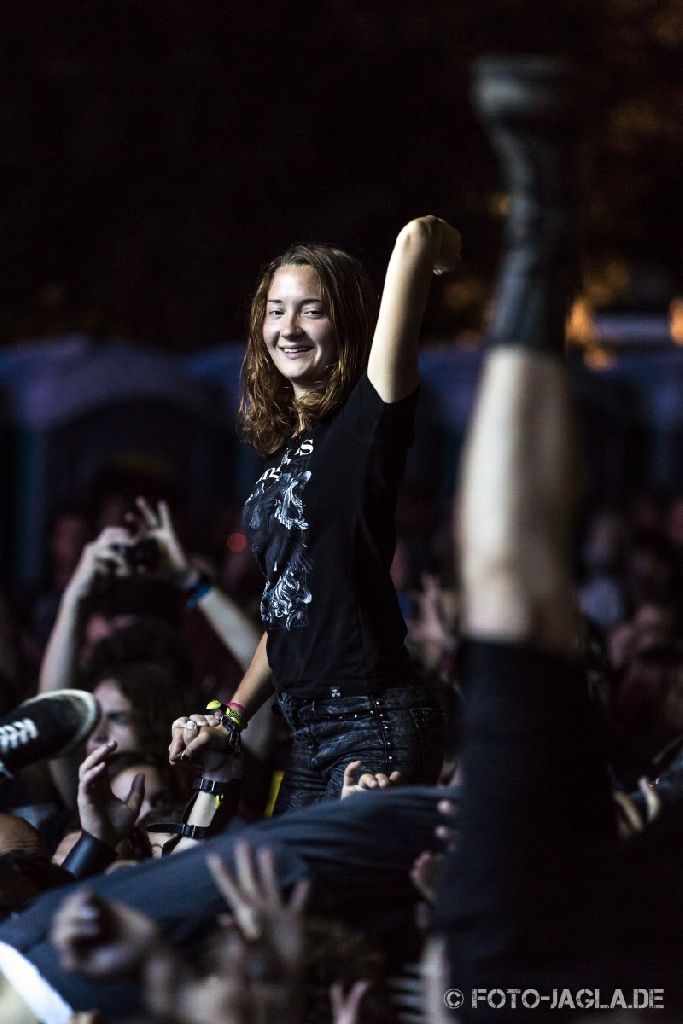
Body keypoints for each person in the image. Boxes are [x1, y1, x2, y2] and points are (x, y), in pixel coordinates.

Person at [170, 217, 460, 811]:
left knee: (334, 899)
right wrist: (230, 716)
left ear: (347, 324)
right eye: (276, 311)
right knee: (281, 893)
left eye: (311, 310)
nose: (288, 329)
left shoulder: (365, 424)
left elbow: (413, 238)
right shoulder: (282, 457)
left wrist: (444, 253)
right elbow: (289, 611)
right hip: (306, 731)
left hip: (373, 722)